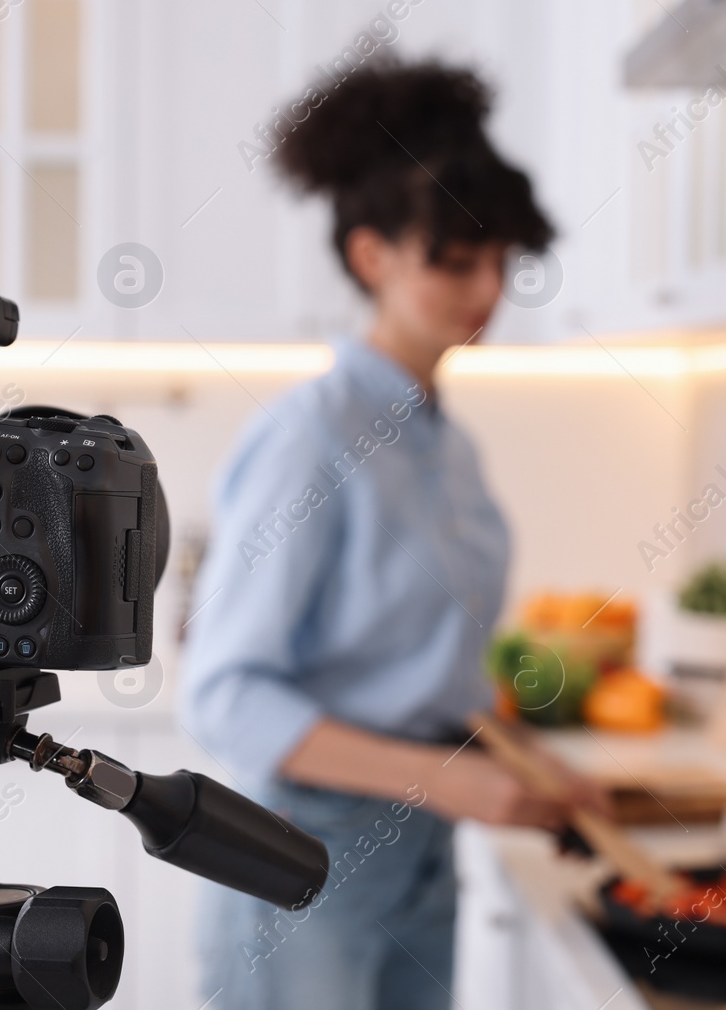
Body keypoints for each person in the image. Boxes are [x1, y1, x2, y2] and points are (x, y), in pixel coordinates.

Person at [180, 60, 607, 1010]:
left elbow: (418, 669)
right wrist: (451, 783)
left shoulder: (445, 443)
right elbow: (224, 697)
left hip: (419, 844)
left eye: (500, 260)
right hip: (303, 848)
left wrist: (523, 765)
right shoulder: (309, 435)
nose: (486, 289)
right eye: (454, 261)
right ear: (372, 256)